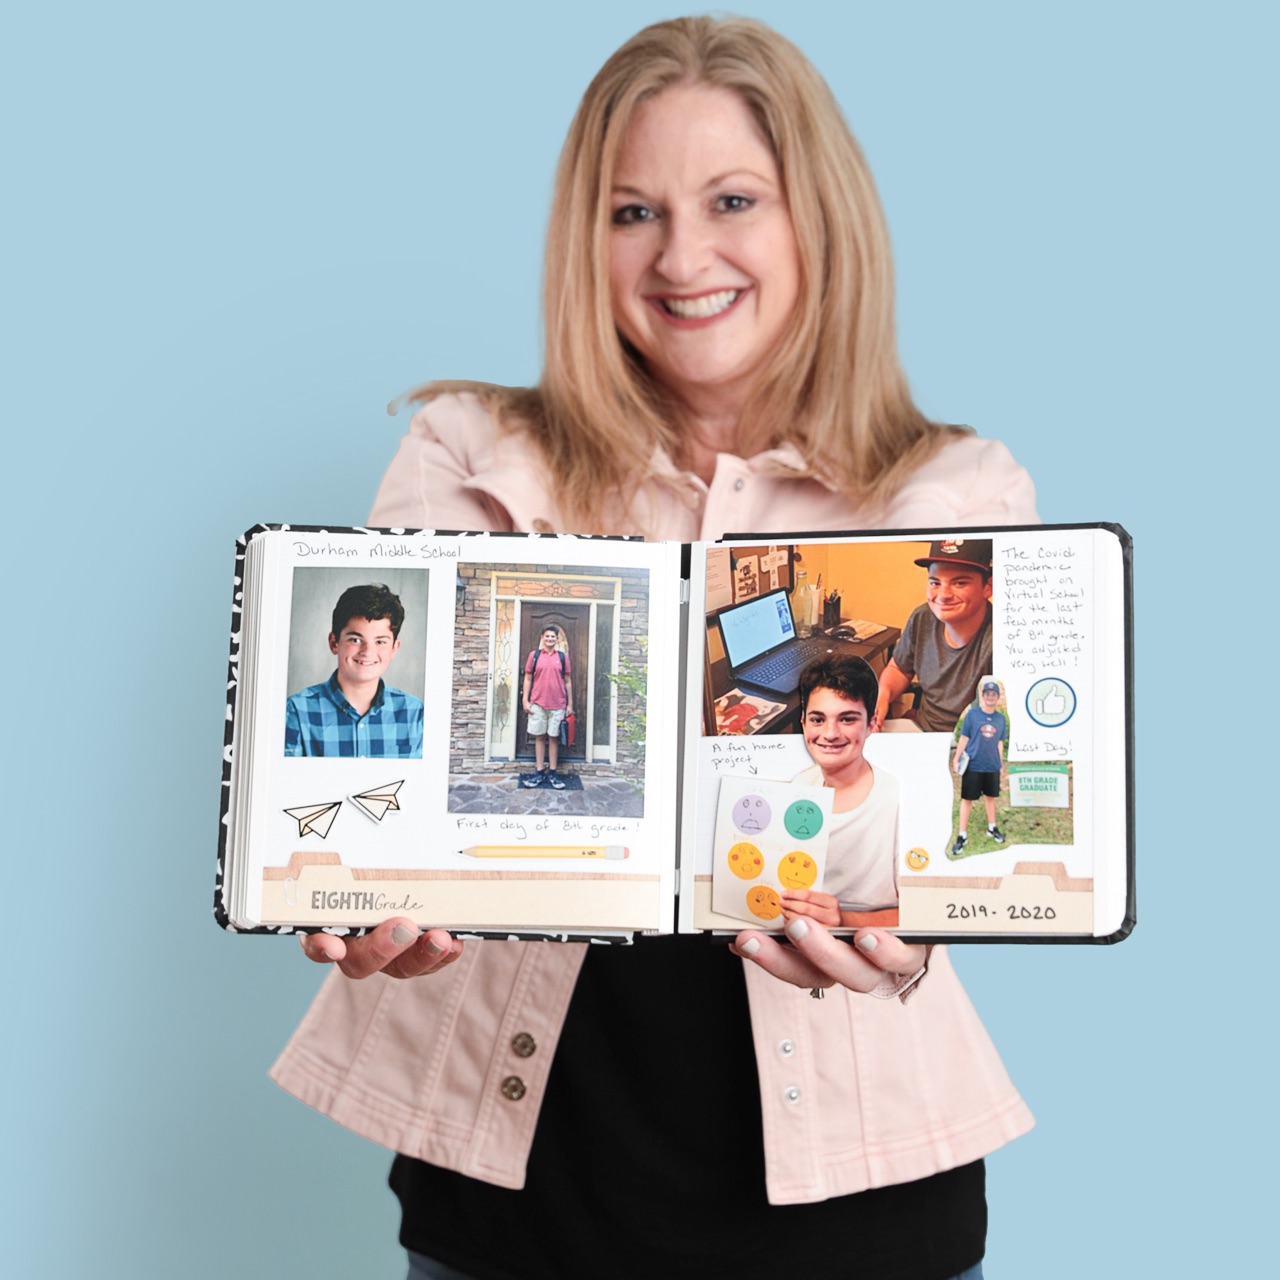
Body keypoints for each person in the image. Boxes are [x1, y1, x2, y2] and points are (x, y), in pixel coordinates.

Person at [276, 17, 1039, 1279]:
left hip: (861, 1210)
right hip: (515, 1206)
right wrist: (354, 893)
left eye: (731, 199)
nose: (683, 255)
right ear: (588, 240)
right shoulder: (473, 453)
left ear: (817, 219)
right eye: (632, 211)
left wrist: (922, 932)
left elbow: (980, 824)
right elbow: (390, 766)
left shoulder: (947, 493)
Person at [781, 655, 900, 928]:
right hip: (806, 929)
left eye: (847, 719)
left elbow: (921, 911)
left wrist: (842, 920)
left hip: (878, 935)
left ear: (871, 724)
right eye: (818, 719)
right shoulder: (797, 788)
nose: (830, 733)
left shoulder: (896, 800)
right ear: (803, 723)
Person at [284, 583, 424, 758]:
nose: (367, 651)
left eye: (380, 641)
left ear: (395, 648)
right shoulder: (296, 711)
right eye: (356, 640)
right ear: (334, 643)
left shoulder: (415, 714)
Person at [875, 539, 995, 734]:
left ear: (988, 587)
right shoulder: (922, 617)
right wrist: (882, 696)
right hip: (921, 731)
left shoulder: (1002, 638)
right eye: (935, 582)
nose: (943, 594)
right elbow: (898, 669)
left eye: (959, 582)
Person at [951, 677, 1008, 857]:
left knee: (990, 798)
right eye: (987, 694)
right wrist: (957, 757)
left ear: (997, 697)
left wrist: (1000, 764)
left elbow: (999, 742)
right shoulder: (973, 715)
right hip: (973, 764)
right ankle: (962, 835)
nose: (990, 697)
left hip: (991, 764)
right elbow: (964, 738)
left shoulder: (1000, 719)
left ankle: (992, 828)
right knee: (967, 800)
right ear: (983, 696)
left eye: (994, 694)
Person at [520, 625, 574, 789]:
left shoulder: (563, 657)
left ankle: (553, 772)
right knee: (539, 737)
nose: (550, 639)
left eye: (553, 636)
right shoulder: (534, 656)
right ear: (542, 638)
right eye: (547, 636)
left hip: (558, 705)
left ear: (557, 639)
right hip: (537, 704)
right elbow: (528, 678)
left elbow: (568, 681)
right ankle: (539, 771)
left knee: (553, 738)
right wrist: (525, 700)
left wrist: (570, 704)